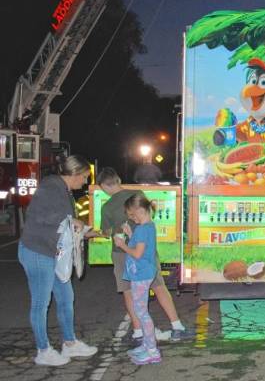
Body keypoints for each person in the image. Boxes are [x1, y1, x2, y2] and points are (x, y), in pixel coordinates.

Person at [18, 155, 99, 366]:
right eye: (84, 177)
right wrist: (73, 221)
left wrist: (95, 232)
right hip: (37, 252)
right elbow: (44, 217)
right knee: (40, 303)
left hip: (55, 253)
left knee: (65, 298)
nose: (85, 182)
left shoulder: (64, 191)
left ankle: (70, 344)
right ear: (74, 174)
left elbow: (69, 228)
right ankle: (43, 351)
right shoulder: (50, 186)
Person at [97, 167, 188, 343]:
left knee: (129, 291)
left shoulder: (107, 207)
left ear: (103, 187)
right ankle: (177, 325)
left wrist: (92, 233)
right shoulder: (137, 194)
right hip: (146, 251)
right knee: (158, 286)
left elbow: (106, 232)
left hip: (122, 253)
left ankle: (139, 332)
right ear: (118, 180)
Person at [113, 192, 161, 365]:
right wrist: (130, 235)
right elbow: (142, 248)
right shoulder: (148, 227)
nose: (132, 219)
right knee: (141, 310)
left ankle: (152, 351)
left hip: (141, 274)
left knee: (141, 312)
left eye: (132, 215)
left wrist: (122, 244)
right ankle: (147, 345)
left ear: (140, 210)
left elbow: (137, 254)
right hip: (143, 272)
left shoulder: (142, 229)